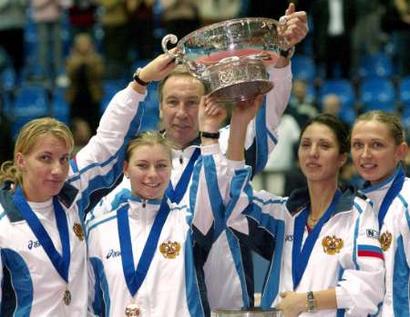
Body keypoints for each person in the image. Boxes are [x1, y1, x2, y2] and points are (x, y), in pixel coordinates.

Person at [88, 3, 309, 311]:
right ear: (160, 107)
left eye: (192, 102)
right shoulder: (140, 165)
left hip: (227, 301)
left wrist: (282, 54)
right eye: (173, 102)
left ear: (208, 102)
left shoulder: (231, 143)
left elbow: (268, 111)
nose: (181, 113)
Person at [0, 53, 176, 316]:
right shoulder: (3, 223)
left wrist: (140, 82)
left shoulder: (71, 194)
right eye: (45, 159)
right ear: (21, 160)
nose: (57, 170)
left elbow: (107, 143)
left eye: (63, 159)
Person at [195, 108, 385, 316]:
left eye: (324, 146)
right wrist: (236, 125)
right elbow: (231, 202)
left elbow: (369, 289)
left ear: (341, 158)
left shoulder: (357, 214)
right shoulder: (283, 213)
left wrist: (306, 301)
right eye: (306, 145)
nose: (313, 152)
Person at [86, 97, 228, 316]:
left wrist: (209, 133)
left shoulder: (189, 222)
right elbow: (90, 305)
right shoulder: (97, 229)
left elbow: (215, 190)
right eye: (142, 165)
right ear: (125, 169)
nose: (152, 174)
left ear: (171, 168)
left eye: (161, 165)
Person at [350, 110, 410, 316]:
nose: (365, 155)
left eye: (377, 145)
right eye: (358, 145)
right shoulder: (354, 205)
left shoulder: (407, 203)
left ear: (400, 151)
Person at [65, 32, 105, 132]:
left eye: (86, 43)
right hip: (76, 97)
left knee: (94, 126)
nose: (84, 46)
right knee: (75, 126)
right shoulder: (71, 59)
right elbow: (70, 74)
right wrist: (82, 61)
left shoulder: (97, 59)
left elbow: (99, 74)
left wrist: (88, 60)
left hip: (92, 97)